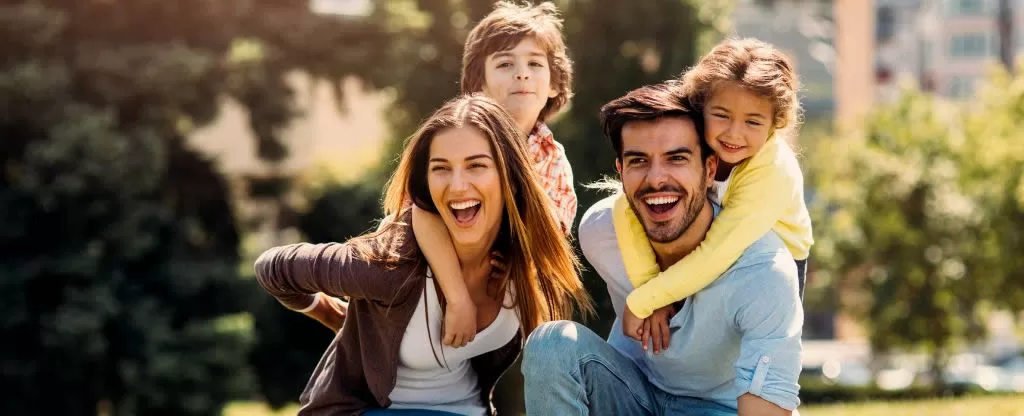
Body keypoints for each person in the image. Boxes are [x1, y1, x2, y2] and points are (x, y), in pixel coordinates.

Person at [255, 94, 592, 415]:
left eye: (476, 166)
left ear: (511, 178)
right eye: (441, 168)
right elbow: (273, 269)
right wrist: (332, 314)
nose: (457, 185)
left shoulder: (523, 259)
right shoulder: (389, 266)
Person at [521, 82, 803, 415]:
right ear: (620, 171)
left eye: (676, 158)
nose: (656, 179)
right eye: (638, 161)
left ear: (710, 169)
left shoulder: (762, 270)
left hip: (719, 408)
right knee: (551, 344)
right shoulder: (602, 233)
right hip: (635, 394)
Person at [390, 1, 581, 351]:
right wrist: (458, 296)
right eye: (505, 64)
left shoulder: (553, 163)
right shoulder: (452, 140)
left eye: (535, 64)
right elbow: (415, 214)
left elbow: (547, 246)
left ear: (554, 84)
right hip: (424, 287)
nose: (522, 73)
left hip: (501, 307)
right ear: (479, 83)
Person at [615, 38, 814, 344]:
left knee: (739, 347)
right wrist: (651, 290)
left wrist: (643, 301)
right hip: (707, 250)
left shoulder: (774, 171)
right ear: (701, 106)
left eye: (753, 122)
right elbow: (624, 206)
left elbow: (718, 252)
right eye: (721, 115)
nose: (734, 134)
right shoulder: (695, 138)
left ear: (775, 124)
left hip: (768, 261)